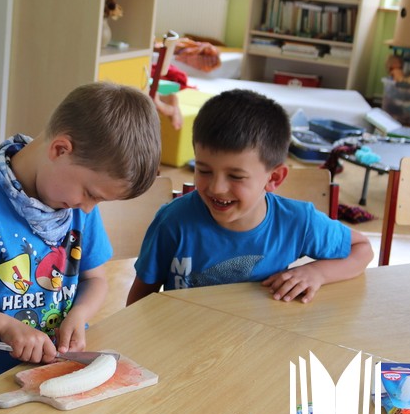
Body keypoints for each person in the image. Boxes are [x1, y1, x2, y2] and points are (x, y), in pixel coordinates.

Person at [0, 81, 162, 394]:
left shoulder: (77, 208)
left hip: (63, 377)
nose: (89, 208)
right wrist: (5, 326)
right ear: (60, 150)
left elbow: (95, 279)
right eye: (90, 193)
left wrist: (79, 314)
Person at [127, 88, 373, 305]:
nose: (217, 187)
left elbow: (362, 249)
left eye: (235, 176)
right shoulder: (172, 222)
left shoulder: (298, 221)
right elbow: (140, 299)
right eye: (204, 170)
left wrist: (317, 273)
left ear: (274, 178)